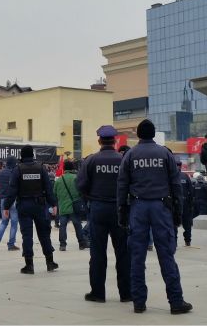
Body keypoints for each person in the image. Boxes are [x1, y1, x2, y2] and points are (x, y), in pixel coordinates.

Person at [117, 119, 192, 315]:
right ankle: (176, 301)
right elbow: (176, 184)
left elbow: (122, 185)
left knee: (137, 257)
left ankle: (139, 302)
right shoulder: (165, 153)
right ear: (153, 133)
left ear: (138, 135)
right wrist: (178, 212)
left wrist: (122, 212)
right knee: (166, 255)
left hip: (138, 207)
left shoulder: (130, 155)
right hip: (161, 207)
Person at [77, 125, 131, 304]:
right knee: (123, 252)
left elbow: (81, 185)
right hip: (119, 209)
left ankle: (98, 293)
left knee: (98, 252)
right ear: (115, 141)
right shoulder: (123, 160)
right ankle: (126, 293)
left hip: (98, 208)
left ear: (99, 140)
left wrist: (90, 199)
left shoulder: (91, 160)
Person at [5, 145, 58, 275]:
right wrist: (54, 204)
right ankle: (50, 262)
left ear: (22, 156)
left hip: (24, 205)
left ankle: (29, 265)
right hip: (40, 206)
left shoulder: (18, 170)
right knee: (44, 234)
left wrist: (6, 206)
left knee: (27, 235)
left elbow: (12, 191)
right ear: (33, 155)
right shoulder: (41, 168)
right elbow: (48, 189)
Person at [54, 160, 87, 251]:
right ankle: (81, 243)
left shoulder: (59, 180)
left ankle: (62, 245)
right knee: (77, 225)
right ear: (72, 168)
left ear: (64, 169)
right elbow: (81, 191)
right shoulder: (76, 178)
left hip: (63, 207)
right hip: (74, 206)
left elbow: (54, 193)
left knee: (62, 226)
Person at [0, 155, 20, 251]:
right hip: (13, 199)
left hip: (3, 199)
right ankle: (11, 244)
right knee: (14, 223)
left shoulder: (1, 172)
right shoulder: (16, 172)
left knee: (4, 222)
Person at [176, 163, 195, 246]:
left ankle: (174, 242)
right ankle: (188, 241)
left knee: (174, 223)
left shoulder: (171, 176)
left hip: (176, 204)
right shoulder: (185, 176)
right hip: (185, 203)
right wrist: (191, 204)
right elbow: (191, 191)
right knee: (187, 223)